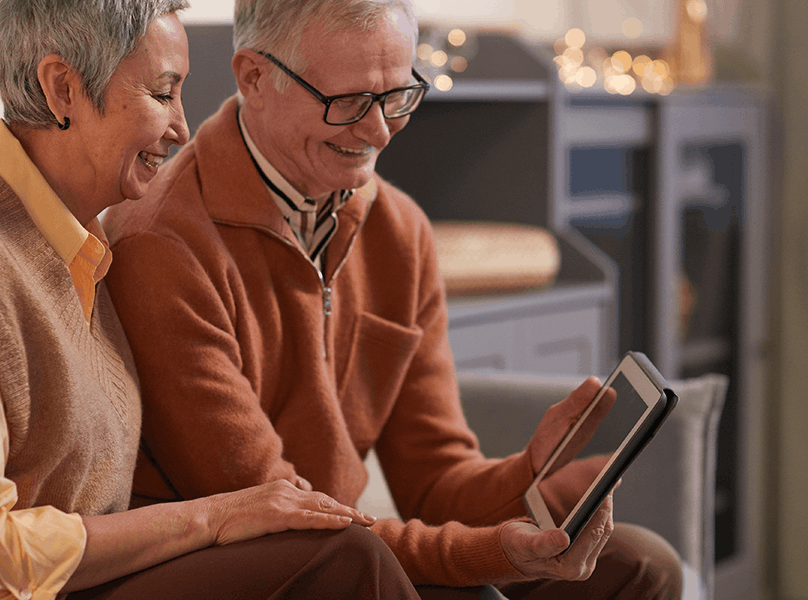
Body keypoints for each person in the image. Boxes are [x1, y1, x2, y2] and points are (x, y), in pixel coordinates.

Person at [0, 1, 419, 598]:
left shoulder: (77, 247)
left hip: (71, 585)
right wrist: (209, 518)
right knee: (343, 561)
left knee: (351, 559)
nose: (182, 128)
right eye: (162, 94)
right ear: (63, 89)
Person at [102, 0, 685, 597]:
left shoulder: (399, 231)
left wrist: (531, 472)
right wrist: (490, 554)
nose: (379, 131)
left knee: (641, 565)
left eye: (398, 95)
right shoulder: (163, 247)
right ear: (254, 77)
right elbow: (287, 518)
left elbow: (434, 482)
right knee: (393, 568)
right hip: (250, 563)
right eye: (349, 102)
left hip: (347, 550)